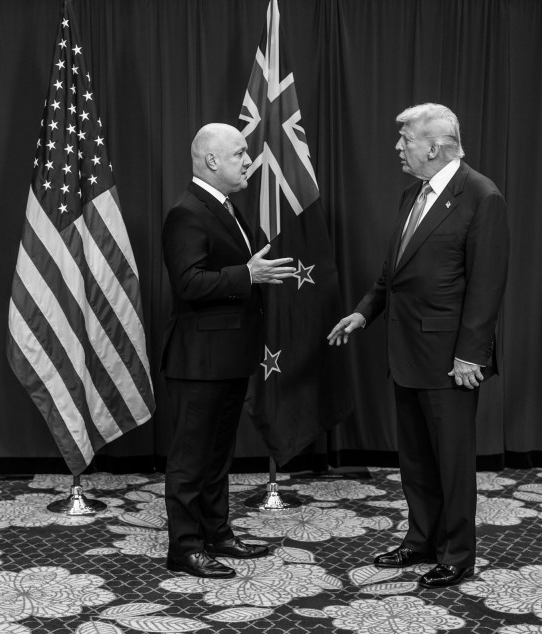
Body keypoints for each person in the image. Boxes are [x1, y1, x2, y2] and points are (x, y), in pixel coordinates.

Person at [328, 103, 509, 588]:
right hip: (405, 350)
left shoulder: (479, 195)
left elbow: (487, 286)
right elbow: (394, 274)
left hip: (450, 359)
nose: (397, 147)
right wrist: (365, 311)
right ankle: (421, 539)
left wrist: (472, 353)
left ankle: (456, 554)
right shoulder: (413, 194)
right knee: (415, 458)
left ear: (433, 146)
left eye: (405, 138)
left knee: (450, 460)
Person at [161, 123, 297, 579]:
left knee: (217, 455)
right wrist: (247, 276)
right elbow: (188, 283)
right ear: (212, 161)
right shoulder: (187, 212)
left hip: (230, 357)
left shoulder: (227, 209)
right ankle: (184, 547)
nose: (248, 161)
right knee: (190, 459)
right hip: (199, 361)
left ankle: (217, 533)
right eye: (239, 153)